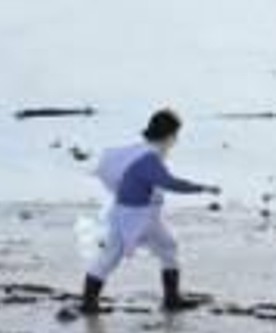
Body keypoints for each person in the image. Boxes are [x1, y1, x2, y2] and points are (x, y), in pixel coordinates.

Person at [80, 109, 218, 315]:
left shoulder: (139, 151)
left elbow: (110, 170)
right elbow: (170, 183)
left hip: (137, 213)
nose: (176, 141)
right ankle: (90, 304)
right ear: (169, 135)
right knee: (113, 256)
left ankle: (171, 298)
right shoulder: (148, 158)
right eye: (175, 135)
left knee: (166, 247)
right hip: (135, 216)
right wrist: (203, 188)